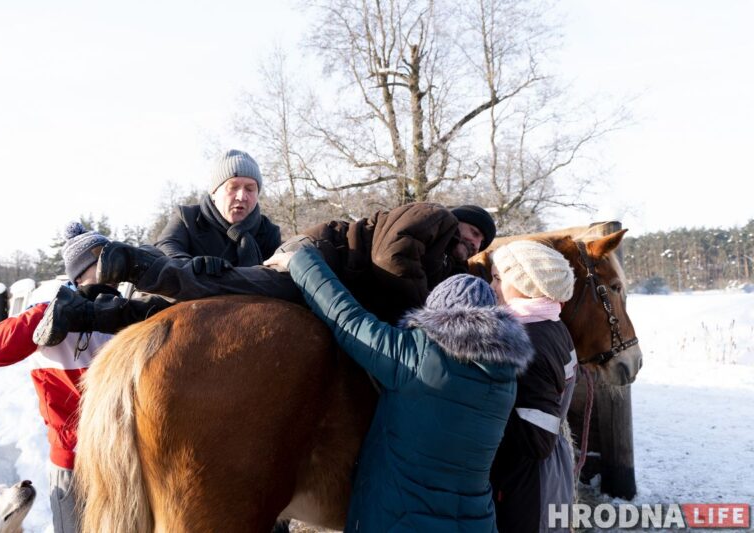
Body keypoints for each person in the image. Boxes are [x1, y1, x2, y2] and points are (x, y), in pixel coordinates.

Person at [266, 246, 533, 532]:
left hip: (401, 520)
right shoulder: (506, 378)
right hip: (476, 521)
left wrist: (301, 261)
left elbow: (348, 319)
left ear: (438, 314)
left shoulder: (416, 356)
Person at [97, 201, 496, 324]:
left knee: (232, 314)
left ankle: (120, 314)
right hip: (323, 256)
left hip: (336, 285)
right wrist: (421, 311)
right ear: (457, 219)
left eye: (479, 240)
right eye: (472, 230)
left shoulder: (450, 266)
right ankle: (140, 265)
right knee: (251, 287)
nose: (472, 240)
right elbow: (390, 256)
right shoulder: (434, 217)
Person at [34, 149, 279, 346]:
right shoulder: (187, 217)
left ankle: (100, 298)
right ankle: (82, 312)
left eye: (250, 189)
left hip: (242, 312)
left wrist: (210, 277)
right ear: (214, 192)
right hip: (186, 304)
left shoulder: (268, 232)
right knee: (158, 296)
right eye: (233, 187)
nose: (241, 196)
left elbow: (270, 281)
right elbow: (166, 247)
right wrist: (192, 266)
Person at [0, 224, 118, 533]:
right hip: (72, 462)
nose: (115, 268)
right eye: (104, 261)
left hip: (122, 460)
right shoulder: (53, 312)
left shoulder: (126, 310)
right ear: (81, 272)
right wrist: (52, 312)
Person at [487, 240, 577, 533]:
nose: (491, 285)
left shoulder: (527, 341)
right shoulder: (553, 323)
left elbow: (536, 439)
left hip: (526, 487)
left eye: (499, 278)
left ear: (524, 284)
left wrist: (485, 406)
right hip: (548, 473)